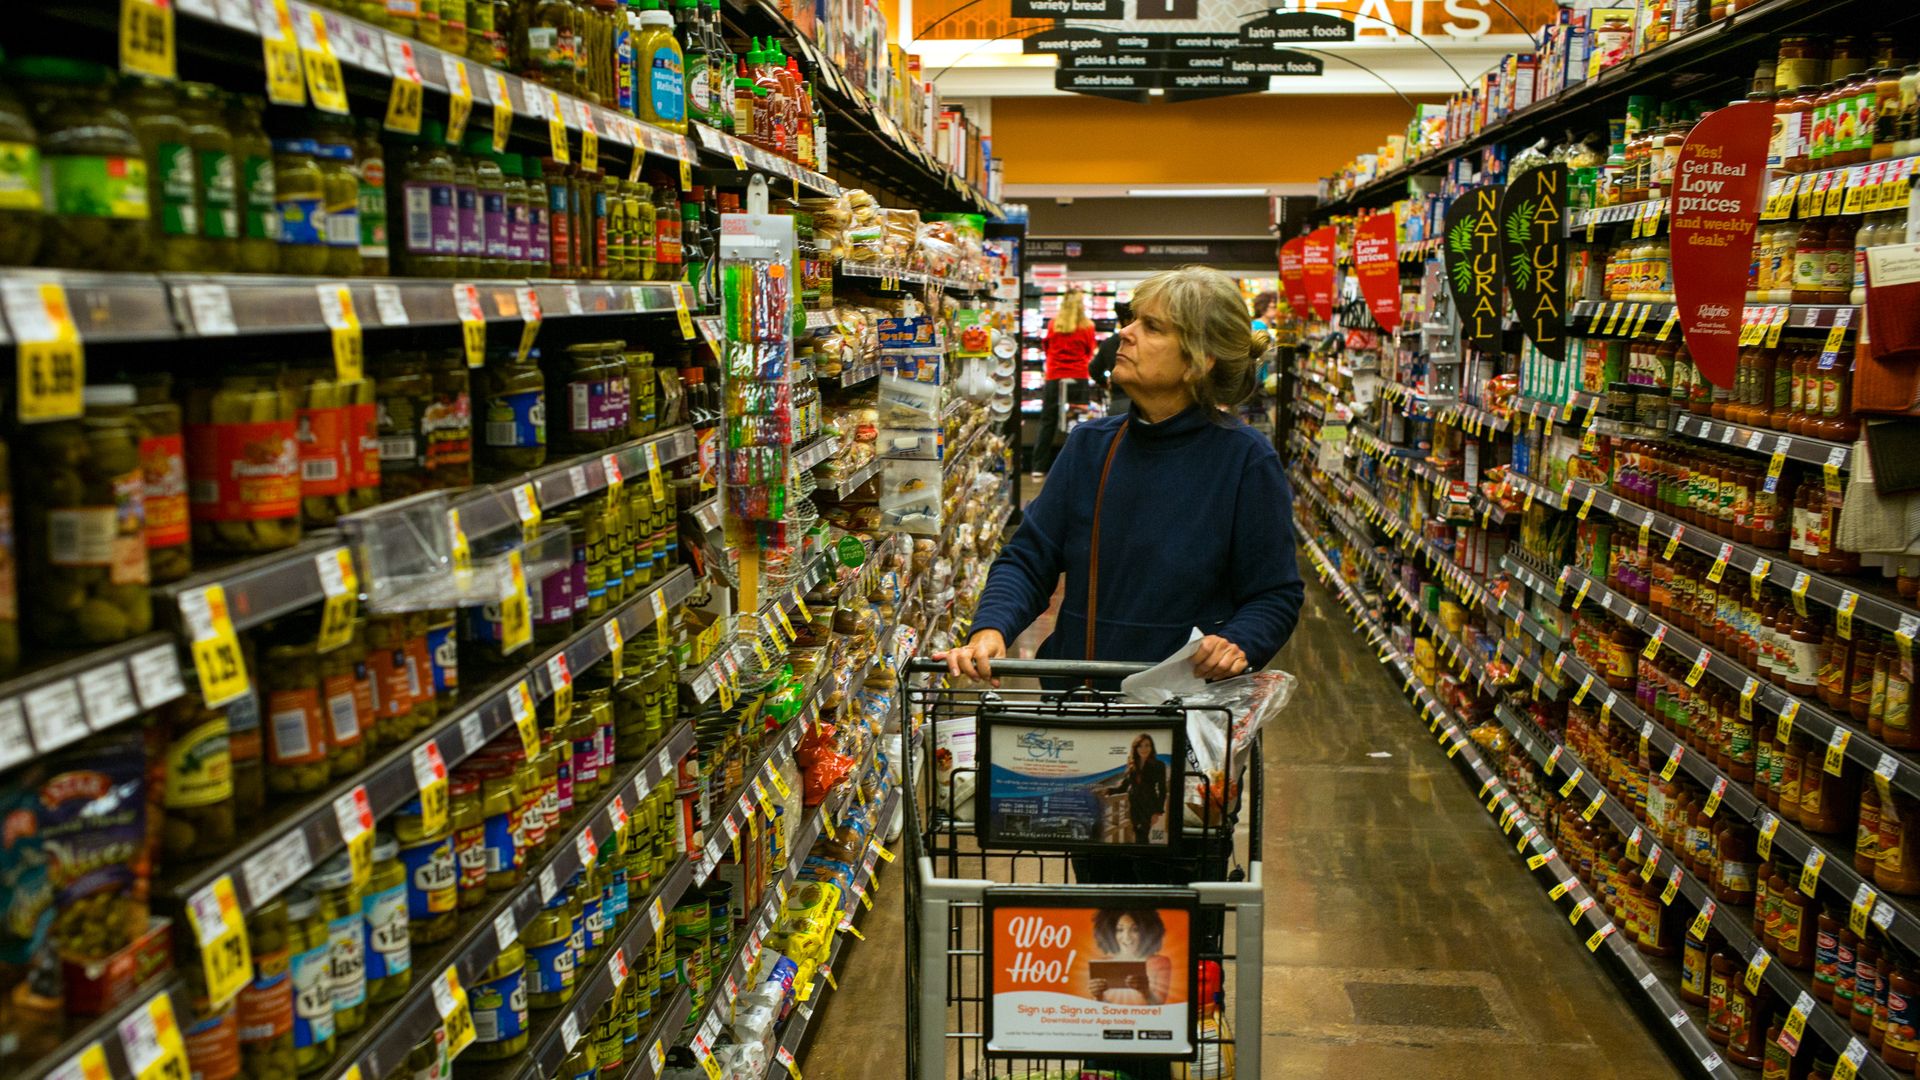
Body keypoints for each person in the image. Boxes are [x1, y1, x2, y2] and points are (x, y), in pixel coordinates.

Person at [949, 265, 1304, 683]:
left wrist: (1241, 641)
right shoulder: (1090, 446)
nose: (1126, 333)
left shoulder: (1245, 460)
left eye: (1152, 327)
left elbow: (1274, 592)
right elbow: (1029, 559)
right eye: (1132, 320)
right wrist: (993, 626)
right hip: (1079, 699)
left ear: (1198, 362)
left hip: (1186, 707)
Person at [1028, 288, 1097, 476]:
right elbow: (1089, 352)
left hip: (1054, 376)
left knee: (1047, 421)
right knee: (1078, 420)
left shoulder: (1053, 324)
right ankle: (1075, 466)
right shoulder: (1088, 326)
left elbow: (1047, 347)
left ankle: (1038, 467)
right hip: (1078, 376)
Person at [1086, 909, 1173, 1005]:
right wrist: (1097, 996)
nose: (1127, 937)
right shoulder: (1101, 964)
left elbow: (1159, 1007)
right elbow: (1099, 1010)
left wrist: (1146, 992)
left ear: (1147, 931)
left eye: (1135, 930)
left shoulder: (1160, 963)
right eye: (1120, 930)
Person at [1105, 732, 1168, 844]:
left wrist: (1157, 812)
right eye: (1140, 746)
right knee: (1138, 835)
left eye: (1147, 745)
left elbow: (1162, 790)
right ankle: (1140, 859)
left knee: (1142, 836)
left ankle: (1140, 860)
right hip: (1133, 807)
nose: (1144, 749)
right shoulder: (1132, 765)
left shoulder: (1159, 765)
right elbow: (1124, 787)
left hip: (1149, 806)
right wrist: (1107, 790)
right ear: (1136, 748)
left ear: (1151, 747)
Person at [1087, 301, 1131, 416]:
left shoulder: (1110, 343)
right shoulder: (1146, 342)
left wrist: (1105, 383)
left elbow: (1093, 369)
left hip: (1118, 402)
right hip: (1145, 404)